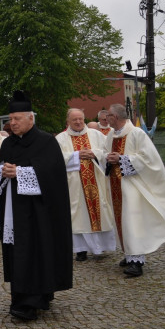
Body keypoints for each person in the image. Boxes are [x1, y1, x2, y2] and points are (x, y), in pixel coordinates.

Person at [0, 91, 73, 321]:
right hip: (14, 211)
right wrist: (3, 172)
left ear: (30, 118)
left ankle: (35, 300)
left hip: (39, 213)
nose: (12, 123)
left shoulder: (46, 142)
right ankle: (19, 298)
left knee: (37, 252)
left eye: (17, 119)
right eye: (10, 119)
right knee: (19, 253)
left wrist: (19, 172)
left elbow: (53, 176)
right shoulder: (7, 143)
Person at [104, 104, 165, 277]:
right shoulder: (112, 134)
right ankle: (129, 254)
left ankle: (137, 262)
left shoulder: (136, 133)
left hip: (133, 185)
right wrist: (108, 158)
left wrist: (122, 158)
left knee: (133, 221)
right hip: (116, 184)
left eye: (109, 115)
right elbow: (105, 153)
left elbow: (149, 159)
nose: (106, 118)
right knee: (122, 221)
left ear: (117, 117)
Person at [57, 109, 118, 262]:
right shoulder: (60, 139)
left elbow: (107, 154)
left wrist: (94, 154)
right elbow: (56, 160)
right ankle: (80, 250)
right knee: (78, 216)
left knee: (101, 212)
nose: (78, 122)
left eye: (80, 119)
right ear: (68, 122)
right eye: (74, 120)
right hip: (74, 186)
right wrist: (76, 155)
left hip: (97, 182)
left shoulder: (96, 135)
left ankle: (101, 247)